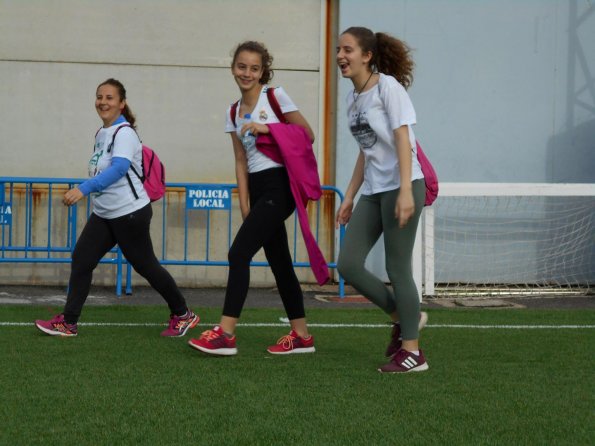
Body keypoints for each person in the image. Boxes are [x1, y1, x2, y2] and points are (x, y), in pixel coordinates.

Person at [35, 78, 199, 337]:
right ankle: (68, 322)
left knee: (146, 265)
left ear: (121, 104)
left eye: (110, 97)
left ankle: (183, 313)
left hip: (129, 213)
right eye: (99, 96)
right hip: (105, 213)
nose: (103, 102)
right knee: (82, 259)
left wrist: (83, 189)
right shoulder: (102, 133)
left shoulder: (126, 133)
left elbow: (120, 168)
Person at [188, 41, 317, 356]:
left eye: (254, 68)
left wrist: (268, 128)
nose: (247, 73)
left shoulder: (275, 96)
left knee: (238, 253)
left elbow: (307, 134)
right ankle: (301, 336)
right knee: (280, 263)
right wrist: (245, 203)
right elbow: (240, 161)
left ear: (263, 71)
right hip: (258, 190)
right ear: (233, 67)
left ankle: (226, 334)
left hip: (280, 186)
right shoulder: (232, 111)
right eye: (241, 66)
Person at [335, 27, 429, 373]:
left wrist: (405, 189)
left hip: (402, 186)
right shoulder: (352, 99)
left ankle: (413, 353)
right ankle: (405, 317)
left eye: (348, 50)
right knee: (348, 264)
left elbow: (403, 139)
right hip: (373, 191)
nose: (340, 56)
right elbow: (367, 151)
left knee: (396, 267)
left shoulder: (387, 87)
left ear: (367, 55)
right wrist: (349, 196)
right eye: (338, 50)